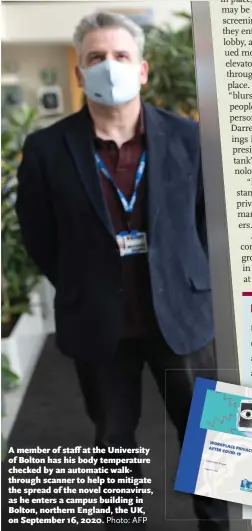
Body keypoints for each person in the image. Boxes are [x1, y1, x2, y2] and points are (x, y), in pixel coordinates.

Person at [15, 11, 229, 531]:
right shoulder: (46, 149)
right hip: (99, 325)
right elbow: (40, 234)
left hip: (186, 318)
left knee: (211, 437)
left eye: (120, 56)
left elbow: (209, 223)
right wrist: (85, 285)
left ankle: (220, 521)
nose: (108, 66)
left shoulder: (189, 138)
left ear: (142, 70)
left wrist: (190, 279)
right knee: (113, 442)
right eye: (95, 58)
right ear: (80, 73)